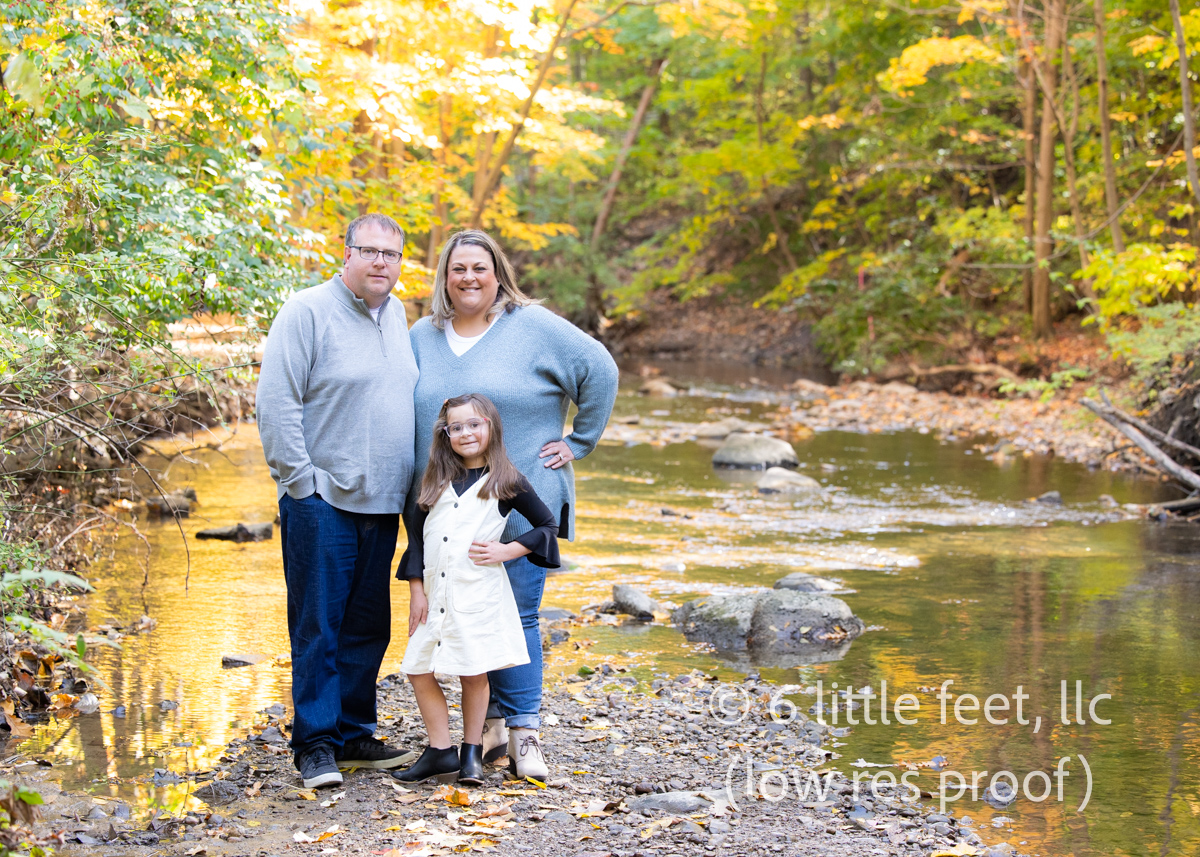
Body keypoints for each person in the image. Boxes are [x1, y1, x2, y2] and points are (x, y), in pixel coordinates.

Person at [402, 230, 618, 780]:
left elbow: (600, 369)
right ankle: (491, 728)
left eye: (480, 267)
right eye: (458, 268)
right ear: (444, 277)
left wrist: (579, 441)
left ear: (497, 272)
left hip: (518, 503)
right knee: (466, 618)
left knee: (515, 617)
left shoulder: (533, 326)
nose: (468, 277)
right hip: (445, 511)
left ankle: (525, 735)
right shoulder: (423, 336)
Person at [257, 213, 419, 789]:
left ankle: (353, 734)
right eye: (369, 251)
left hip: (382, 501)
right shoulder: (306, 311)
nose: (380, 262)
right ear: (346, 254)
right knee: (318, 625)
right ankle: (316, 745)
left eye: (391, 254)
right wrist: (300, 482)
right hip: (322, 498)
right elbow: (276, 402)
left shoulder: (397, 315)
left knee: (368, 627)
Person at [393, 394, 559, 784]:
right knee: (418, 669)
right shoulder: (434, 480)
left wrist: (507, 550)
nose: (465, 433)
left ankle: (471, 753)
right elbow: (415, 540)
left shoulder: (505, 480)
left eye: (474, 424)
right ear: (445, 434)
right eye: (456, 427)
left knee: (473, 672)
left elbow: (547, 526)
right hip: (434, 595)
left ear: (491, 427)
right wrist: (416, 590)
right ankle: (440, 751)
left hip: (477, 593)